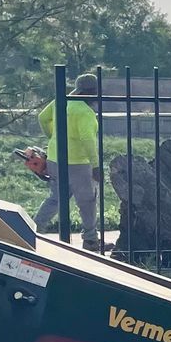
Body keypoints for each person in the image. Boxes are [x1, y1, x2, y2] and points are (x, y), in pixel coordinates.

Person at [35, 72, 101, 241]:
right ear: (91, 91)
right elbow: (87, 139)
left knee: (56, 198)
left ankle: (35, 229)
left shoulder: (61, 102)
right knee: (87, 201)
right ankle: (91, 239)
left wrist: (53, 137)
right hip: (78, 163)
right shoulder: (85, 112)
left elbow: (42, 118)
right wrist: (95, 165)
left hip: (55, 159)